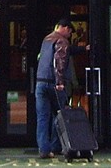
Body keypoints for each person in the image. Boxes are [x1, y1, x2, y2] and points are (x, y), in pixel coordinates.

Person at [34, 18, 88, 159]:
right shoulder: (61, 41)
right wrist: (60, 82)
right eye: (69, 31)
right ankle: (57, 146)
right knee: (61, 116)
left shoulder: (46, 39)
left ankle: (44, 149)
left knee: (42, 117)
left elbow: (41, 58)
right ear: (64, 28)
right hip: (53, 83)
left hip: (40, 82)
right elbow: (59, 62)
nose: (69, 35)